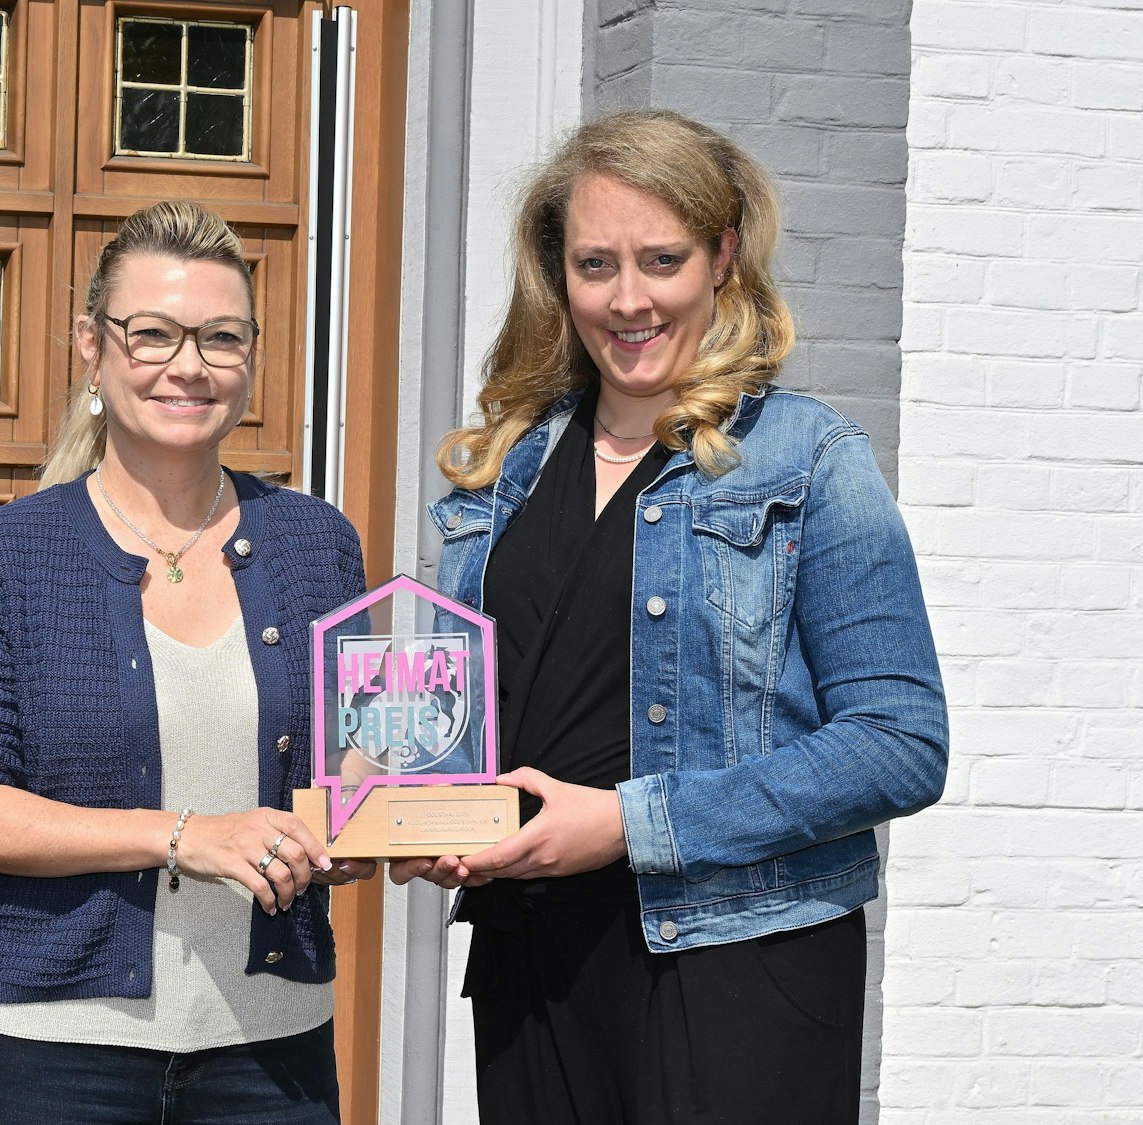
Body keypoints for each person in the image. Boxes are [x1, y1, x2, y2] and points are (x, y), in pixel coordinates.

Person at [397, 109, 949, 1124]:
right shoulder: (507, 467)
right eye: (594, 264)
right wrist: (415, 804)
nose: (628, 299)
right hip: (532, 961)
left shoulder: (807, 457)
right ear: (557, 274)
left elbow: (899, 744)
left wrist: (628, 823)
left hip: (737, 965)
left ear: (721, 257)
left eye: (661, 260)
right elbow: (466, 709)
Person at [0, 201, 377, 1124]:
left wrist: (370, 820)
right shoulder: (8, 554)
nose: (188, 365)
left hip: (270, 1051)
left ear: (252, 355)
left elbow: (347, 760)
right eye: (153, 333)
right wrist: (184, 834)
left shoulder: (316, 544)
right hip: (47, 1056)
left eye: (221, 337)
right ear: (93, 344)